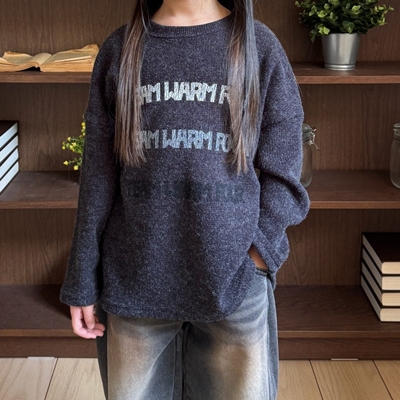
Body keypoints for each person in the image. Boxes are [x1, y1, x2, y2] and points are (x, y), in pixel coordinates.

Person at [60, 0, 310, 399]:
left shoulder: (260, 47)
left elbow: (284, 170)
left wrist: (257, 257)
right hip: (134, 284)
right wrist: (82, 279)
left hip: (235, 284)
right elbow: (97, 180)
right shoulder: (120, 49)